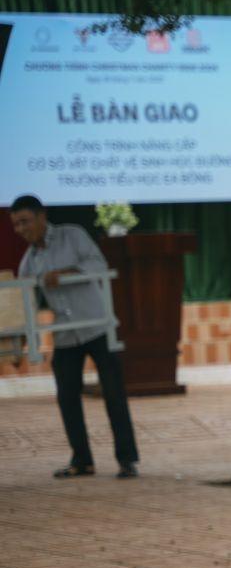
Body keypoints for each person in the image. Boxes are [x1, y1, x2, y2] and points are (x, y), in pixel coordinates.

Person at [11, 195, 140, 479]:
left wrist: (68, 271)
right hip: (66, 334)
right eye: (16, 225)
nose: (20, 229)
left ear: (42, 216)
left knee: (114, 393)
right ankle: (82, 460)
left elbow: (98, 265)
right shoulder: (28, 262)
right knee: (67, 396)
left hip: (97, 326)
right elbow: (24, 305)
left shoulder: (73, 235)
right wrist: (21, 342)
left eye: (25, 221)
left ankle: (127, 460)